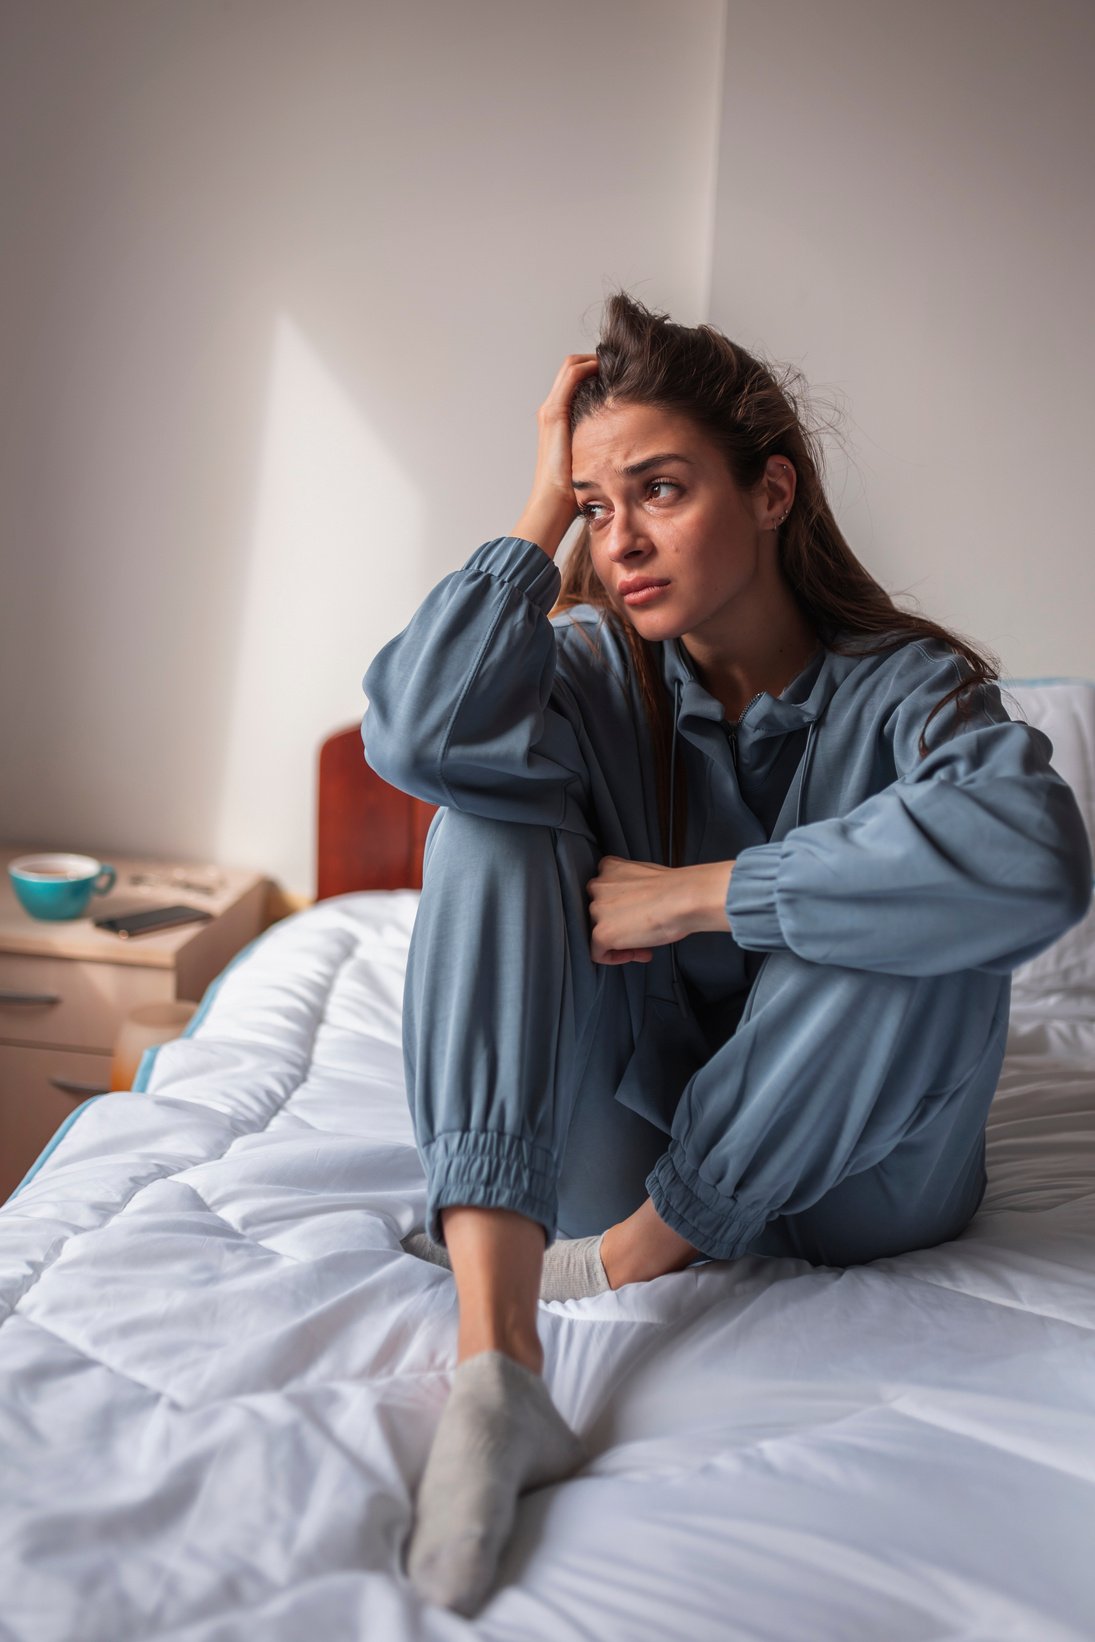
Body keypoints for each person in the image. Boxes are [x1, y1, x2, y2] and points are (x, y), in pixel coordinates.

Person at [360, 292, 1092, 1616]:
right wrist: (537, 515)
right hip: (622, 1131)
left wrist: (713, 893)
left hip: (871, 1186)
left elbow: (1038, 858)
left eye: (660, 488)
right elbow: (413, 732)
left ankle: (649, 1252)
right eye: (598, 503)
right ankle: (498, 1366)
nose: (621, 537)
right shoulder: (588, 672)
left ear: (770, 491)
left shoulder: (913, 687)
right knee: (483, 815)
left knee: (926, 897)